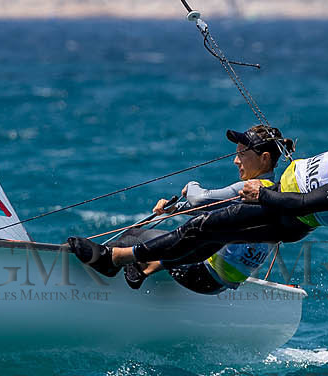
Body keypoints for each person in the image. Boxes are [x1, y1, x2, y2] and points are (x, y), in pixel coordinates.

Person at [69, 98, 328, 280]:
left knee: (203, 227)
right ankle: (142, 266)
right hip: (279, 198)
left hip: (285, 216)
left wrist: (261, 194)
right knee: (209, 234)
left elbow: (304, 204)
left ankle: (114, 260)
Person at [119, 124, 294, 294]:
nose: (235, 160)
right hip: (219, 284)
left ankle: (101, 266)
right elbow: (217, 210)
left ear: (264, 158)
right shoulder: (275, 195)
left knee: (130, 236)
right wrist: (176, 208)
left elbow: (200, 199)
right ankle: (142, 271)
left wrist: (191, 185)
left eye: (241, 154)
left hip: (197, 271)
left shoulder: (249, 190)